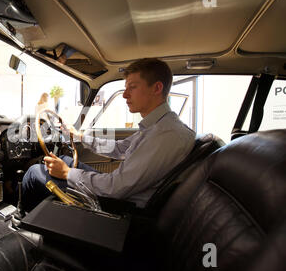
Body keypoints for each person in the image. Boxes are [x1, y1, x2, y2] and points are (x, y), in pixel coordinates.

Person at [22, 58, 196, 210]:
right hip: (121, 191)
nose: (125, 95)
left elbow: (116, 188)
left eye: (132, 87)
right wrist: (79, 137)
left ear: (157, 88)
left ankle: (24, 226)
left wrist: (67, 173)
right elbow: (120, 148)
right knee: (66, 160)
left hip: (121, 207)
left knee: (34, 172)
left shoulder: (165, 135)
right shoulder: (158, 126)